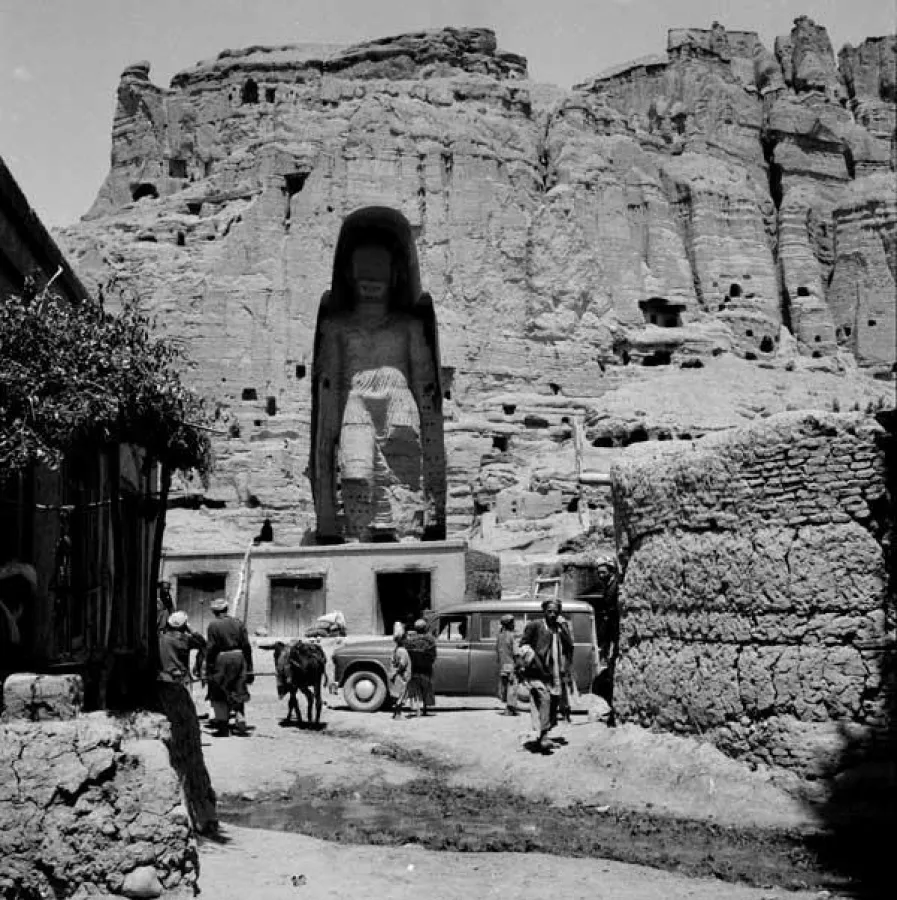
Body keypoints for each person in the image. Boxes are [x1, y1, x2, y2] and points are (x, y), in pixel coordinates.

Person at [518, 598, 574, 752]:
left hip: (553, 671)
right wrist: (532, 660)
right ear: (543, 611)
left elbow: (569, 645)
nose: (552, 614)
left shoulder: (559, 628)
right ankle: (543, 738)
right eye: (549, 611)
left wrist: (564, 626)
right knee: (545, 698)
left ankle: (544, 734)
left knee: (553, 702)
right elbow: (523, 644)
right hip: (537, 671)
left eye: (555, 611)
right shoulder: (535, 625)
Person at [205, 597, 254, 736]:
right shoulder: (238, 623)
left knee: (220, 690)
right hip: (239, 658)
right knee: (239, 687)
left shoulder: (213, 625)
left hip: (222, 658)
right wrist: (250, 667)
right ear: (226, 609)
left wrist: (209, 665)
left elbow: (211, 648)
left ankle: (223, 726)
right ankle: (240, 718)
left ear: (214, 611)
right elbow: (247, 646)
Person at [403, 618, 437, 716]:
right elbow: (433, 656)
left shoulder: (410, 640)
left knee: (416, 686)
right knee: (426, 687)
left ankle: (416, 707)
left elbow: (407, 653)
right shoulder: (430, 640)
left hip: (414, 669)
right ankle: (425, 708)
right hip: (426, 669)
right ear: (425, 628)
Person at [495, 613, 519, 716]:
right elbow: (516, 652)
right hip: (511, 664)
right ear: (509, 624)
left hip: (503, 665)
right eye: (512, 623)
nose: (514, 625)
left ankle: (508, 707)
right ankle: (510, 708)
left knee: (505, 686)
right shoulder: (512, 636)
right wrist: (519, 665)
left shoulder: (500, 636)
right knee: (512, 686)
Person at [389, 627, 412, 719]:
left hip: (399, 675)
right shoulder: (403, 651)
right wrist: (399, 670)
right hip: (404, 676)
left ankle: (395, 714)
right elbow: (403, 664)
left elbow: (392, 660)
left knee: (399, 694)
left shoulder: (396, 649)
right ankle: (398, 715)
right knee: (402, 695)